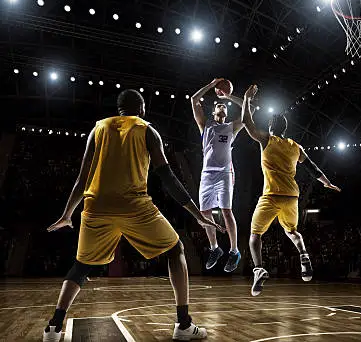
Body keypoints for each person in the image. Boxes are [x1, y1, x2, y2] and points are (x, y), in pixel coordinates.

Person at [43, 89, 225, 342]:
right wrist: (197, 214)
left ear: (119, 110)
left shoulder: (98, 129)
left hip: (96, 206)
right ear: (141, 109)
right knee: (175, 250)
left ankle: (53, 327)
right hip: (134, 205)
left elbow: (82, 177)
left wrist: (67, 213)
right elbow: (167, 178)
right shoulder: (147, 130)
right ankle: (183, 324)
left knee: (81, 266)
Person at [240, 84, 340, 296]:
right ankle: (303, 255)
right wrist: (326, 182)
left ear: (271, 127)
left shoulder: (267, 140)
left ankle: (258, 269)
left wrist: (247, 100)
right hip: (292, 197)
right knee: (292, 232)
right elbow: (311, 167)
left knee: (254, 235)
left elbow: (247, 123)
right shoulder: (295, 146)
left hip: (271, 195)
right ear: (285, 129)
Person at [191, 78, 245, 272]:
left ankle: (234, 251)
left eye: (224, 106)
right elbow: (194, 99)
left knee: (226, 211)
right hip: (206, 174)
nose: (222, 106)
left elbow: (251, 110)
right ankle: (215, 248)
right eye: (218, 105)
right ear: (213, 112)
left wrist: (228, 95)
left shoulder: (231, 127)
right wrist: (211, 85)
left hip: (224, 173)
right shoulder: (205, 126)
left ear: (226, 112)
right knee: (204, 214)